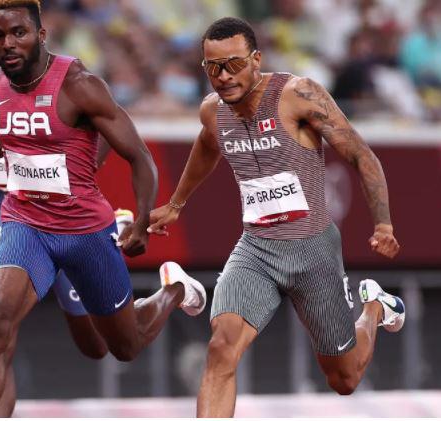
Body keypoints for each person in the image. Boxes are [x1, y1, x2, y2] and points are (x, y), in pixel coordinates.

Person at [147, 17, 406, 417]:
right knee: (220, 348)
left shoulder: (297, 95)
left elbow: (360, 154)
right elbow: (206, 146)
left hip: (313, 250)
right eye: (212, 67)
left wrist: (383, 224)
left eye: (233, 64)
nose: (223, 76)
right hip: (256, 251)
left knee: (344, 378)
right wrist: (176, 203)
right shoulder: (213, 111)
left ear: (256, 59)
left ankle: (374, 307)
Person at [0, 1, 207, 416]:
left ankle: (174, 289)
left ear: (41, 35)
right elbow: (22, 128)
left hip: (84, 232)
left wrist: (142, 223)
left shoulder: (79, 84)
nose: (6, 44)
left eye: (18, 33)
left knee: (123, 346)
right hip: (25, 225)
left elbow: (141, 157)